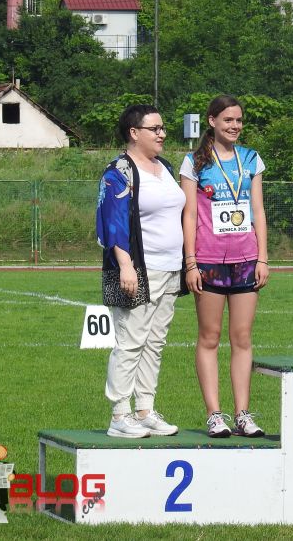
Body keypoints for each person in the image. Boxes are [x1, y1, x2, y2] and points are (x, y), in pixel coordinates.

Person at [181, 95, 269, 438]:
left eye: (239, 120)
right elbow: (189, 214)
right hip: (209, 260)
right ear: (212, 121)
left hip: (246, 260)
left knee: (242, 337)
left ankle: (243, 414)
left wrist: (263, 257)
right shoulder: (194, 162)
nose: (234, 126)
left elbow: (258, 210)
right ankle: (215, 415)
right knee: (210, 337)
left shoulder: (250, 158)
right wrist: (190, 262)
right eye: (228, 120)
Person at [96, 104, 186, 439]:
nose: (162, 134)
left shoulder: (165, 167)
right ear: (134, 133)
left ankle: (145, 410)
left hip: (170, 268)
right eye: (155, 129)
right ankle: (119, 414)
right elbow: (113, 222)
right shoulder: (118, 171)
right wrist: (125, 266)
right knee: (130, 341)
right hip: (137, 270)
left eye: (163, 128)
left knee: (155, 342)